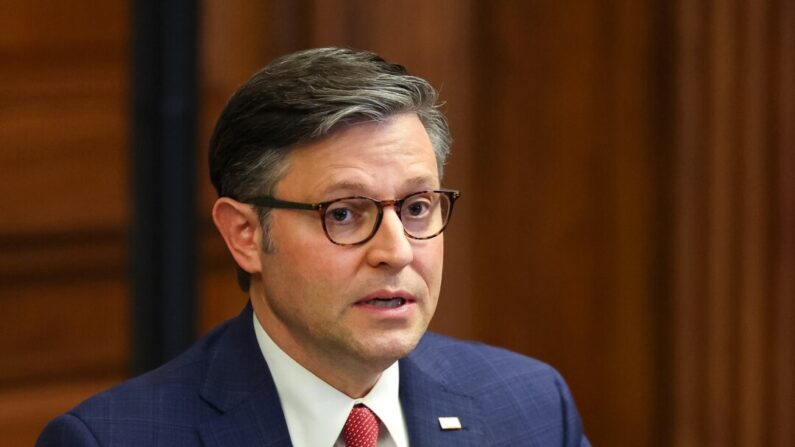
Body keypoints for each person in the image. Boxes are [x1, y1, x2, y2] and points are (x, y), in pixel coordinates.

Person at [37, 47, 590, 446]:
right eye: (345, 214)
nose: (396, 252)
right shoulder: (112, 439)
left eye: (417, 207)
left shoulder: (530, 408)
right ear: (245, 236)